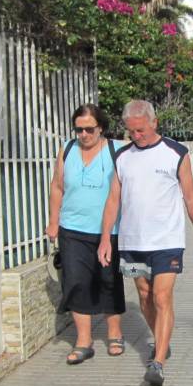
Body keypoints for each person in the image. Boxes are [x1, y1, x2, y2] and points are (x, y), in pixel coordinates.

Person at [97, 100, 193, 386]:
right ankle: (162, 340)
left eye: (141, 130)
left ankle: (157, 362)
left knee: (161, 297)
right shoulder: (122, 157)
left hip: (166, 241)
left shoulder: (176, 153)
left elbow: (190, 197)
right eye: (132, 131)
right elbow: (113, 200)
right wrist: (106, 239)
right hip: (132, 242)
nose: (137, 136)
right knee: (144, 295)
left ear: (154, 123)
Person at [45, 104, 126, 364]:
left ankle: (114, 333)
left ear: (100, 127)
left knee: (109, 280)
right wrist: (53, 221)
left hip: (108, 231)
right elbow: (57, 187)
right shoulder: (67, 150)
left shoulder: (116, 150)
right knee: (76, 282)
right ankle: (84, 341)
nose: (83, 134)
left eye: (89, 129)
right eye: (79, 129)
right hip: (72, 229)